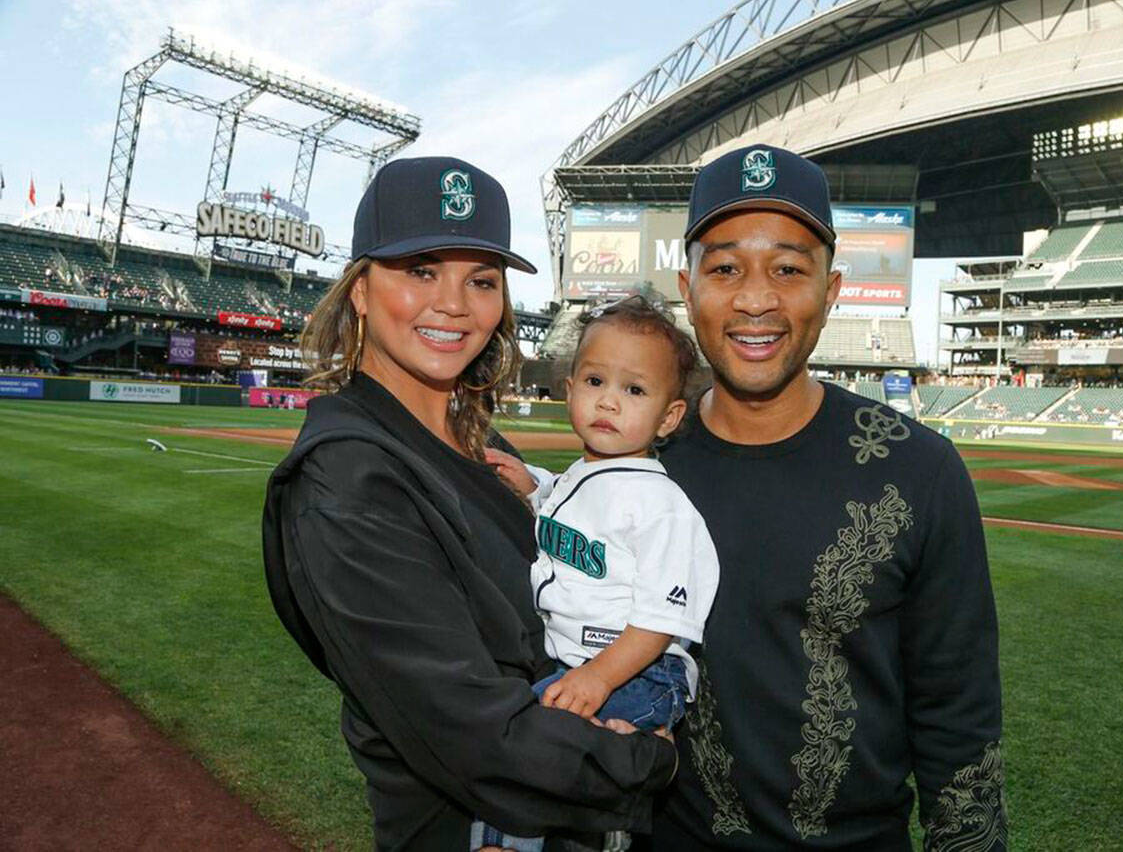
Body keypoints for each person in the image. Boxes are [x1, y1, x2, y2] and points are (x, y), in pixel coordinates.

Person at [262, 157, 677, 851]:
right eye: (421, 270)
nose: (454, 303)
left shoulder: (480, 439)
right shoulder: (345, 477)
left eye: (480, 280)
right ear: (360, 289)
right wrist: (652, 758)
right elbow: (476, 734)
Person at [644, 145, 1006, 849]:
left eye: (788, 268)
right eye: (724, 268)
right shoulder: (640, 469)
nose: (756, 299)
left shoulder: (920, 472)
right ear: (687, 289)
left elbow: (959, 725)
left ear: (832, 287)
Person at [478, 297, 720, 852]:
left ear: (667, 417)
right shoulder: (587, 473)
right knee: (524, 742)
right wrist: (534, 485)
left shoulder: (661, 505)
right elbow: (575, 510)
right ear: (569, 391)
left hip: (639, 671)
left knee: (525, 741)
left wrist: (600, 679)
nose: (608, 400)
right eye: (594, 381)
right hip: (585, 661)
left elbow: (662, 620)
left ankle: (591, 814)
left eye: (634, 390)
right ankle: (594, 814)